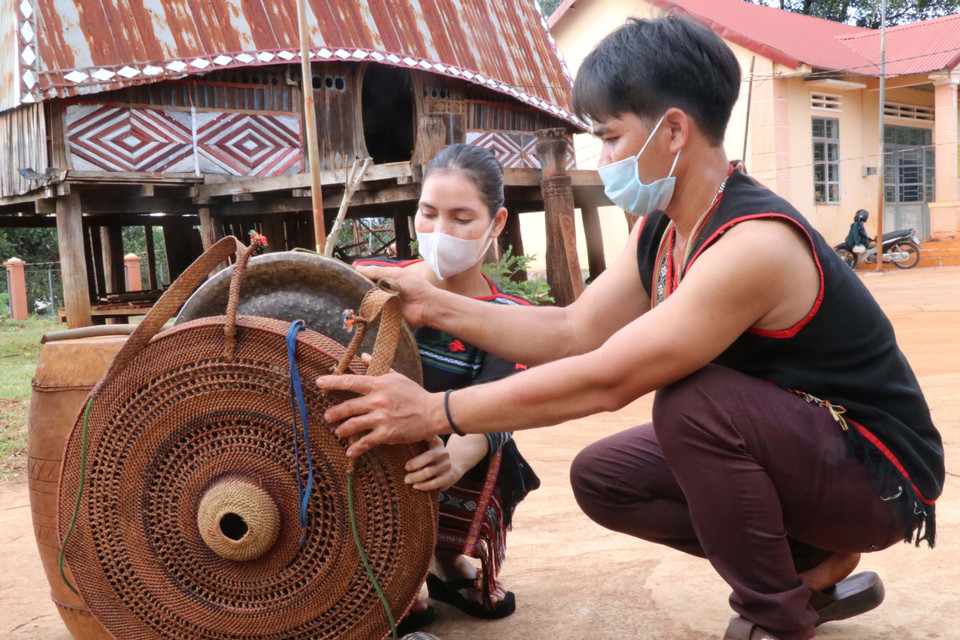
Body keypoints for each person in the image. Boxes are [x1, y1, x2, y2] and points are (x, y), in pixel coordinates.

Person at [318, 16, 943, 640]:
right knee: (605, 479)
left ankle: (774, 618)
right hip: (807, 450)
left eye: (612, 136)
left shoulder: (753, 245)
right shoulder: (663, 230)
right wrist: (429, 304)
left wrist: (432, 411)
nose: (606, 157)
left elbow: (608, 378)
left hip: (881, 476)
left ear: (673, 130)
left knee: (693, 405)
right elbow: (570, 330)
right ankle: (812, 572)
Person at [354, 144, 540, 631]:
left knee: (494, 444)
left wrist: (455, 458)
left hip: (443, 449)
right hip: (360, 445)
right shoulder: (370, 284)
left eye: (461, 218)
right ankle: (380, 570)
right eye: (429, 214)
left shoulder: (508, 319)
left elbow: (500, 404)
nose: (440, 232)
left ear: (496, 224)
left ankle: (443, 559)